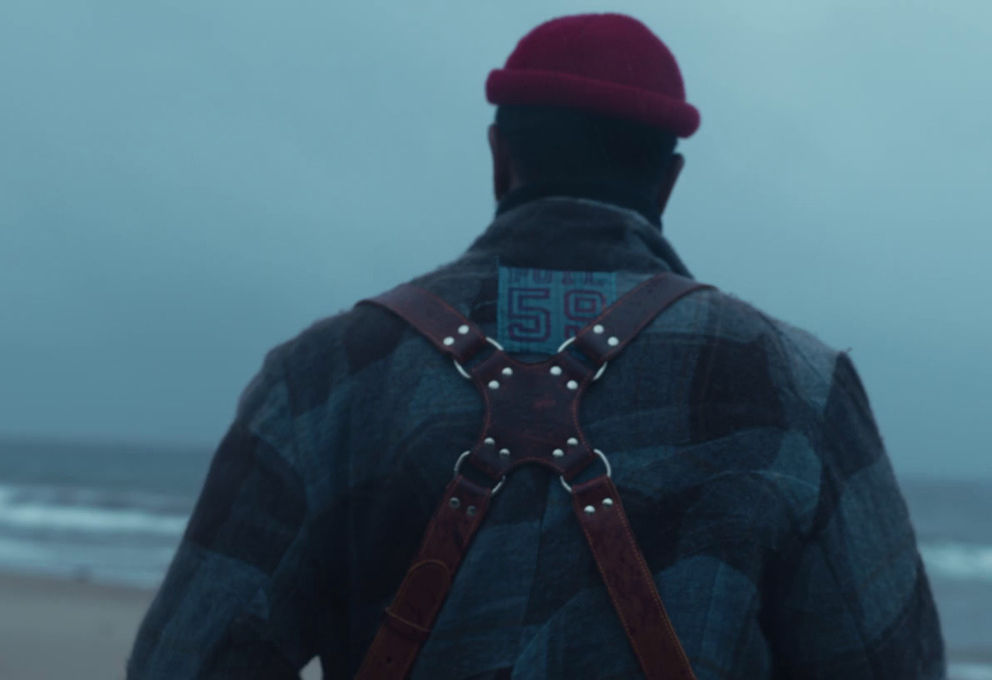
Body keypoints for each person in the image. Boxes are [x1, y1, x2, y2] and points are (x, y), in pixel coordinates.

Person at [129, 13, 944, 679]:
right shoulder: (796, 385)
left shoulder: (320, 377)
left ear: (499, 157)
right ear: (668, 182)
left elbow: (184, 665)